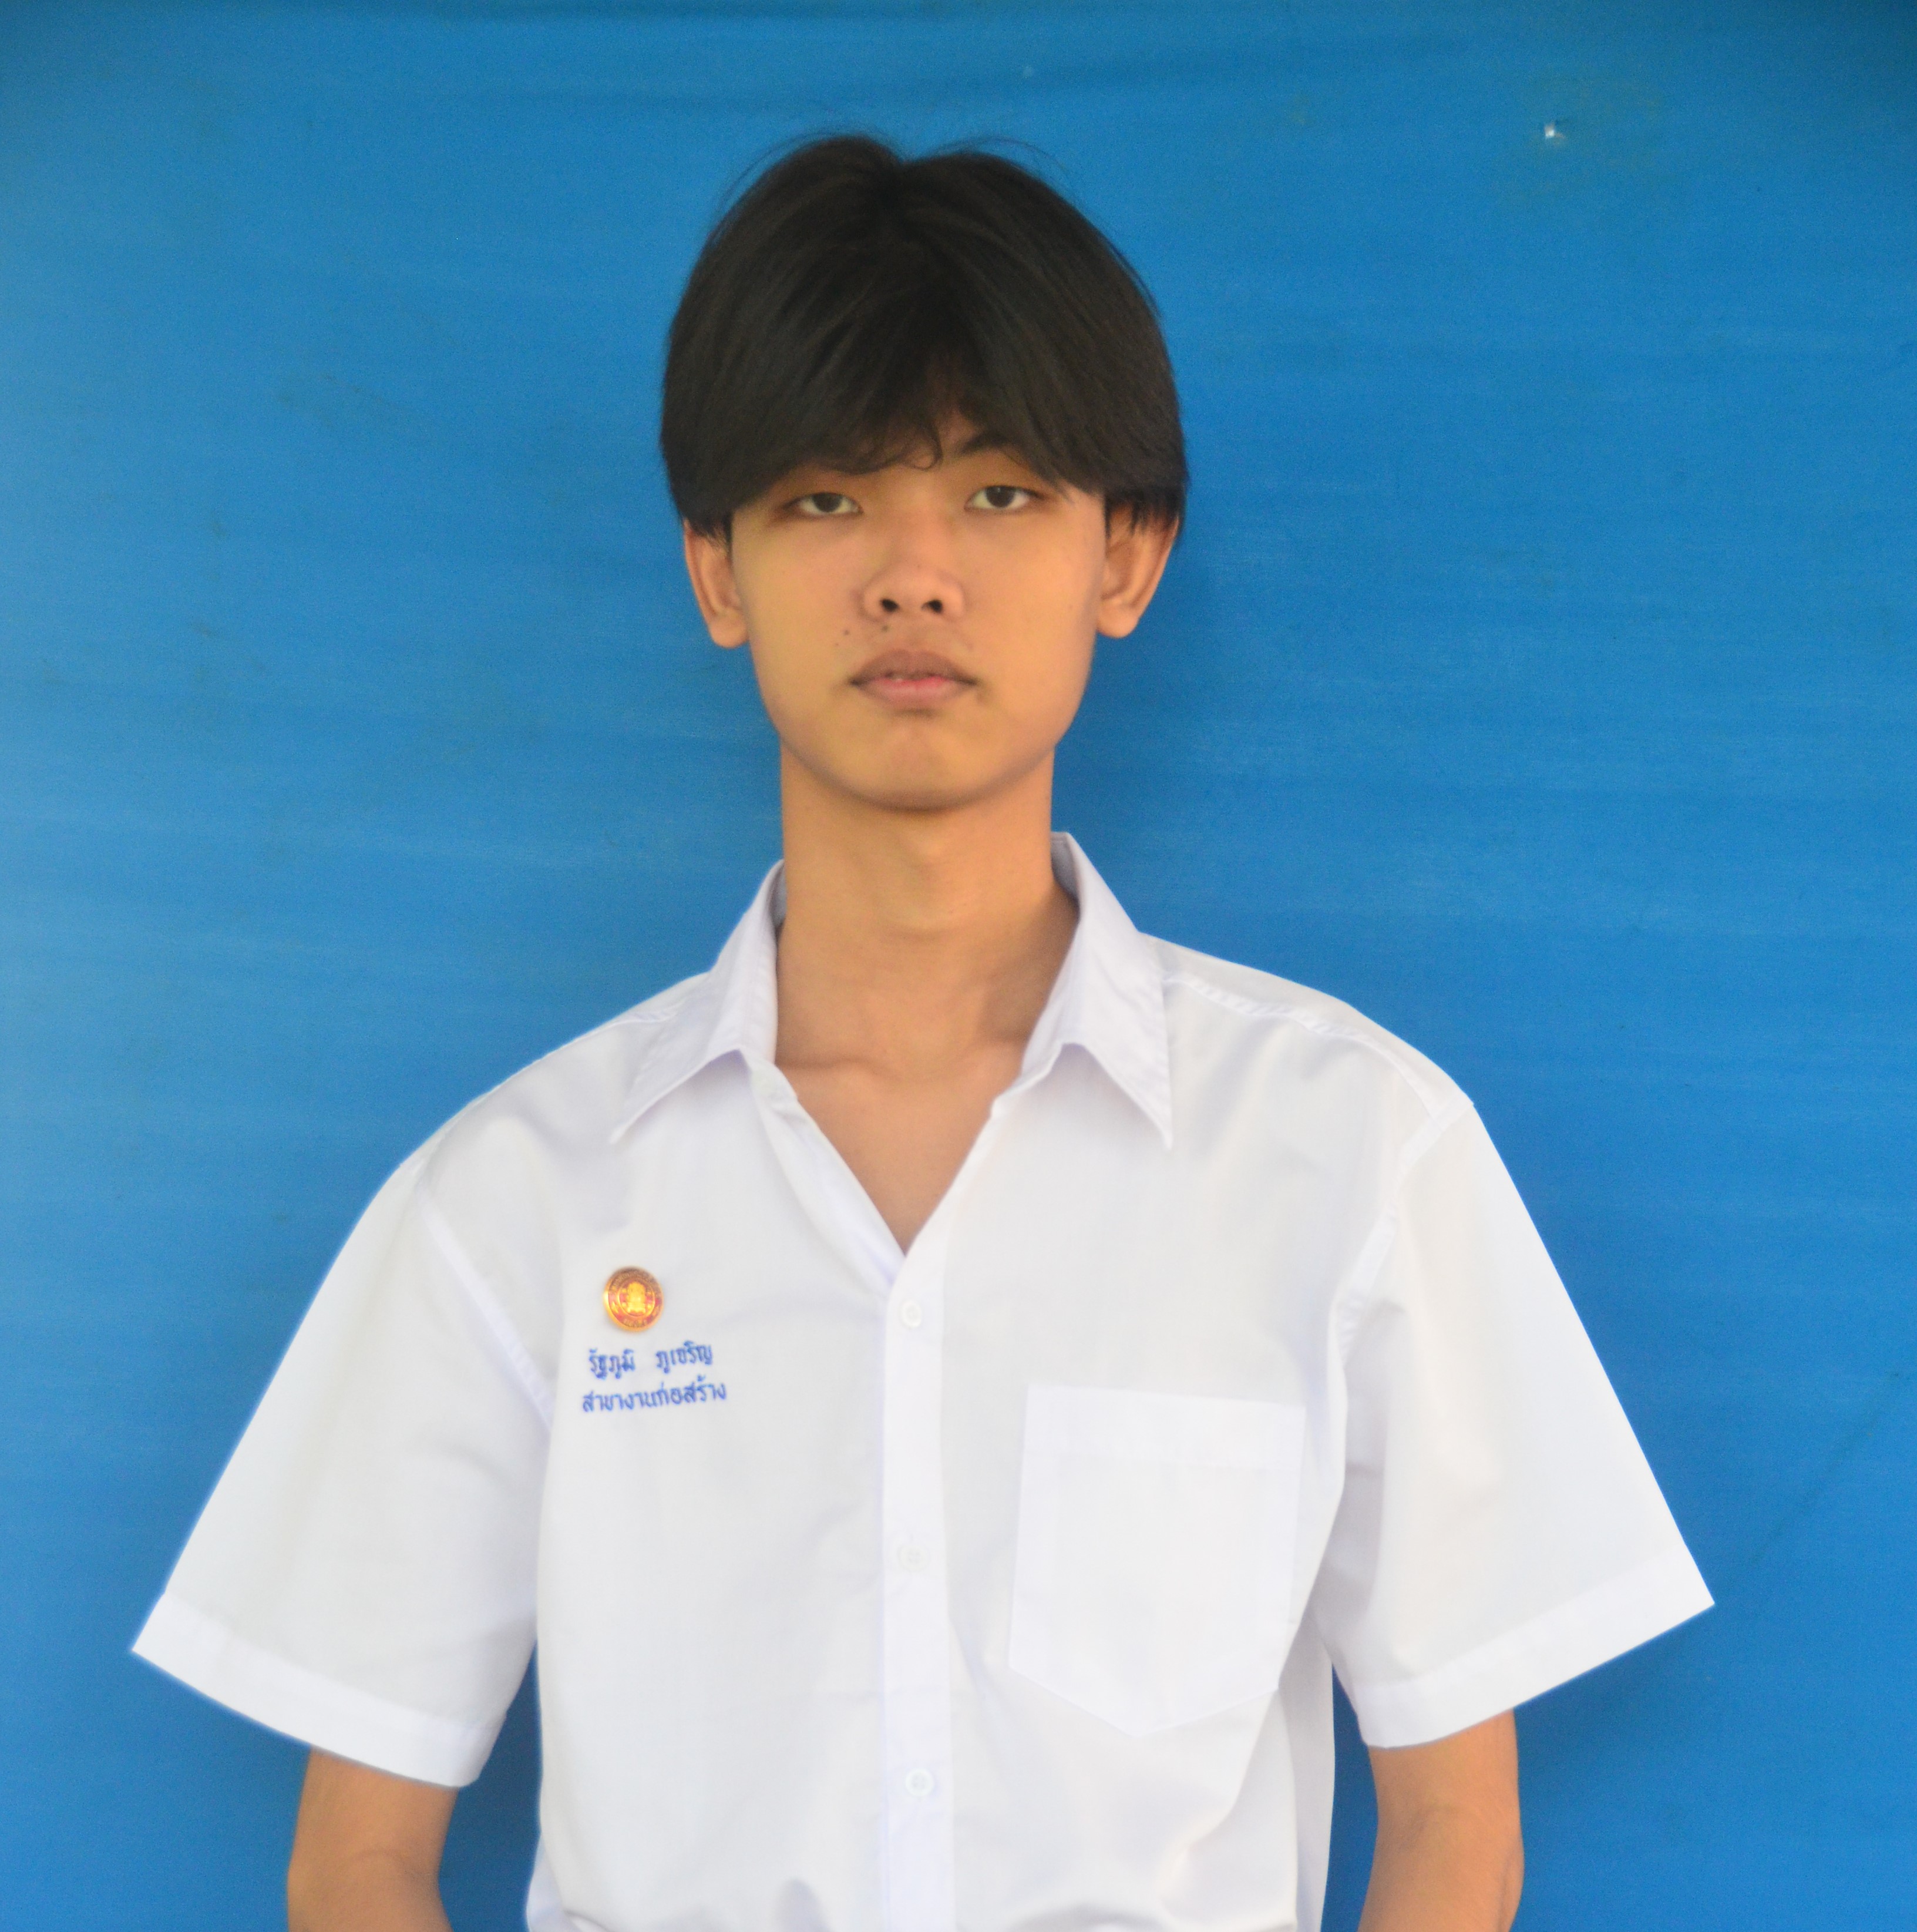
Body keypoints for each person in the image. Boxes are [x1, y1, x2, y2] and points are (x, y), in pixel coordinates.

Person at [134, 136, 1710, 1932]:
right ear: (716, 571)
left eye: (1000, 491)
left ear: (1129, 552)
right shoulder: (521, 1202)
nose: (912, 575)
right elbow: (356, 1859)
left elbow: (1454, 1832)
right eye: (825, 499)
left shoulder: (1349, 1152)